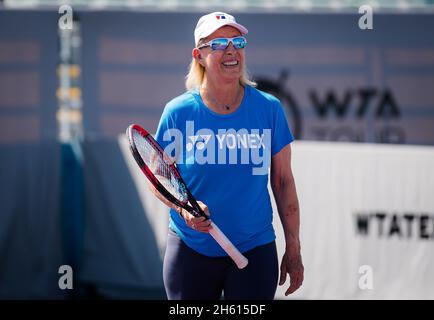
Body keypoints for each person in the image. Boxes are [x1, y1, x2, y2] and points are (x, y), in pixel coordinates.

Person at [154, 11, 303, 300]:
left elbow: (283, 182)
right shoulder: (178, 113)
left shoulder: (269, 109)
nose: (231, 50)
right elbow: (159, 176)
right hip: (191, 251)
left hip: (254, 249)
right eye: (219, 43)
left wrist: (293, 247)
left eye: (237, 42)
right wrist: (184, 207)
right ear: (199, 55)